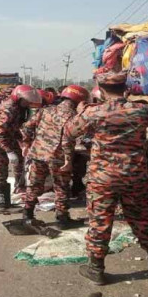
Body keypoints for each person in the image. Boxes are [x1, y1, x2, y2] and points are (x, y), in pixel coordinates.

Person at [62, 71, 148, 285]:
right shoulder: (141, 110)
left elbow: (70, 132)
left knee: (100, 221)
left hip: (103, 178)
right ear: (125, 87)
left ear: (100, 89)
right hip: (134, 175)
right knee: (142, 218)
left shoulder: (94, 112)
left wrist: (81, 111)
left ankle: (96, 269)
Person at [21, 85, 90, 228]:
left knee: (34, 185)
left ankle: (27, 215)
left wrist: (26, 145)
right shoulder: (73, 116)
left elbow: (27, 127)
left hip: (38, 154)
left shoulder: (46, 110)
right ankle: (62, 219)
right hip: (57, 157)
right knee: (61, 187)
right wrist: (68, 160)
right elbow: (67, 140)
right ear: (79, 101)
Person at [0, 84, 41, 211]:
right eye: (26, 101)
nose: (28, 103)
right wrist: (9, 151)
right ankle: (3, 206)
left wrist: (22, 142)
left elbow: (13, 128)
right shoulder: (9, 109)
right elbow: (0, 132)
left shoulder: (15, 107)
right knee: (0, 174)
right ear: (18, 98)